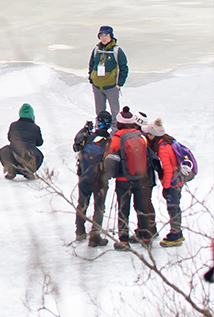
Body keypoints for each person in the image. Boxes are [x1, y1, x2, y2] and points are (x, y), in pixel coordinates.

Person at [106, 106, 155, 248]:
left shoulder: (116, 139)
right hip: (141, 178)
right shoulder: (141, 137)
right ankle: (146, 238)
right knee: (142, 208)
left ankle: (123, 240)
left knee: (123, 210)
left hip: (123, 181)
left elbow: (108, 157)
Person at [144, 119, 188, 248]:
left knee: (173, 207)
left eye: (149, 134)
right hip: (178, 180)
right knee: (175, 206)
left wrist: (166, 188)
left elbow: (168, 170)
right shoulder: (168, 141)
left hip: (173, 182)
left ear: (153, 135)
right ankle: (176, 231)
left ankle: (176, 233)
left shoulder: (163, 148)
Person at [73, 112, 111, 249]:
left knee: (82, 203)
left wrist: (84, 130)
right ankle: (95, 236)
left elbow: (75, 147)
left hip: (84, 175)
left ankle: (80, 231)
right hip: (100, 179)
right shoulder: (109, 140)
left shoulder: (88, 137)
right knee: (99, 206)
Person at [87, 25, 129, 118]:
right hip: (97, 86)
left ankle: (115, 131)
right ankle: (100, 130)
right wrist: (91, 79)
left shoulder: (116, 51)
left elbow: (124, 68)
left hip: (111, 87)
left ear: (111, 36)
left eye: (106, 35)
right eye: (101, 35)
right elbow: (91, 65)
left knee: (115, 113)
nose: (103, 38)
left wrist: (119, 84)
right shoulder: (96, 50)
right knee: (99, 113)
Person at [0, 103, 43, 179]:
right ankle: (29, 170)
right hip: (29, 158)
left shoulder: (13, 125)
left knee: (4, 150)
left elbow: (9, 138)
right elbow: (40, 143)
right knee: (39, 155)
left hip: (13, 156)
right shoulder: (35, 128)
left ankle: (11, 169)